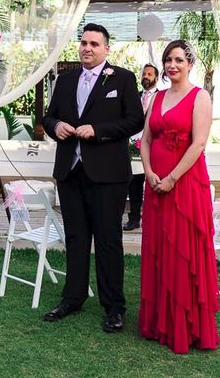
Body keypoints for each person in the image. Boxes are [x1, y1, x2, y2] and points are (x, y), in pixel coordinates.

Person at [42, 23, 144, 332]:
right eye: (84, 42)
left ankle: (114, 307)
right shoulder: (65, 80)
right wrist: (55, 126)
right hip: (70, 173)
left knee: (108, 241)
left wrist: (98, 131)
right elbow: (48, 116)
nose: (87, 48)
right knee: (75, 239)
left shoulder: (123, 79)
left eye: (94, 44)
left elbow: (134, 121)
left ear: (106, 49)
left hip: (107, 175)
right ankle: (72, 299)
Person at [138, 40, 219, 354]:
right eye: (168, 60)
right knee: (159, 250)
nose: (172, 66)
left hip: (184, 185)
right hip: (155, 183)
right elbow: (145, 139)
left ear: (190, 63)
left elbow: (198, 144)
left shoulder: (200, 97)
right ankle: (159, 321)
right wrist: (148, 172)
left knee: (182, 251)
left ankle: (185, 326)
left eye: (178, 60)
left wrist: (172, 178)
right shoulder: (157, 97)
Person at [123, 63, 159, 232]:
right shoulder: (135, 96)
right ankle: (134, 218)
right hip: (134, 146)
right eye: (144, 73)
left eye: (150, 74)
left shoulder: (162, 97)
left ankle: (155, 221)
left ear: (156, 78)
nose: (146, 76)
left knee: (155, 185)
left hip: (155, 146)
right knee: (135, 184)